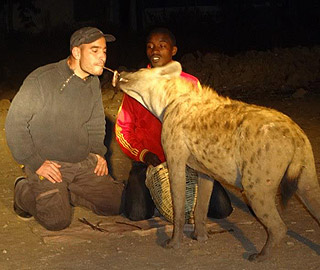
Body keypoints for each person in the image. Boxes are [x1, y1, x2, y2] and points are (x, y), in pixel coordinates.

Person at [5, 27, 124, 231]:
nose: (102, 57)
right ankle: (23, 190)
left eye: (104, 51)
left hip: (82, 162)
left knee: (117, 204)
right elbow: (15, 124)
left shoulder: (93, 82)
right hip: (49, 164)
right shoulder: (42, 80)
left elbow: (95, 123)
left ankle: (64, 194)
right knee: (56, 220)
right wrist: (35, 162)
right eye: (94, 51)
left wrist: (97, 153)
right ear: (76, 52)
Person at [115, 27, 233, 221]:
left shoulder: (190, 84)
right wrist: (143, 154)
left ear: (174, 51)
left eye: (162, 46)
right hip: (148, 161)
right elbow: (123, 130)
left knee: (222, 209)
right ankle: (141, 190)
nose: (155, 51)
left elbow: (204, 127)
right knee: (137, 213)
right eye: (150, 46)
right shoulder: (137, 83)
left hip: (187, 161)